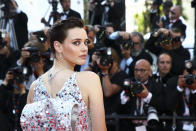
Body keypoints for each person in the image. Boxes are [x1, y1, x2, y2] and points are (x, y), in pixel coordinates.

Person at [20, 18, 106, 130]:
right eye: (76, 43)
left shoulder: (34, 87)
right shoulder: (90, 79)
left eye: (85, 42)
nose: (84, 48)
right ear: (58, 46)